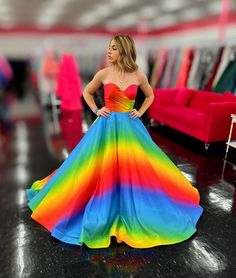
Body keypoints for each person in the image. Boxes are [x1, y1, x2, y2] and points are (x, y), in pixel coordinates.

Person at [26, 35, 203, 249]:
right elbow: (87, 92)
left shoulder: (138, 75)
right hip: (106, 126)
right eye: (108, 48)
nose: (108, 52)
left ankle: (137, 205)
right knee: (98, 167)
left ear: (124, 50)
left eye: (113, 48)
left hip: (130, 127)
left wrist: (140, 111)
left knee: (139, 168)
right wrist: (96, 109)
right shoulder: (104, 73)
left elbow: (150, 96)